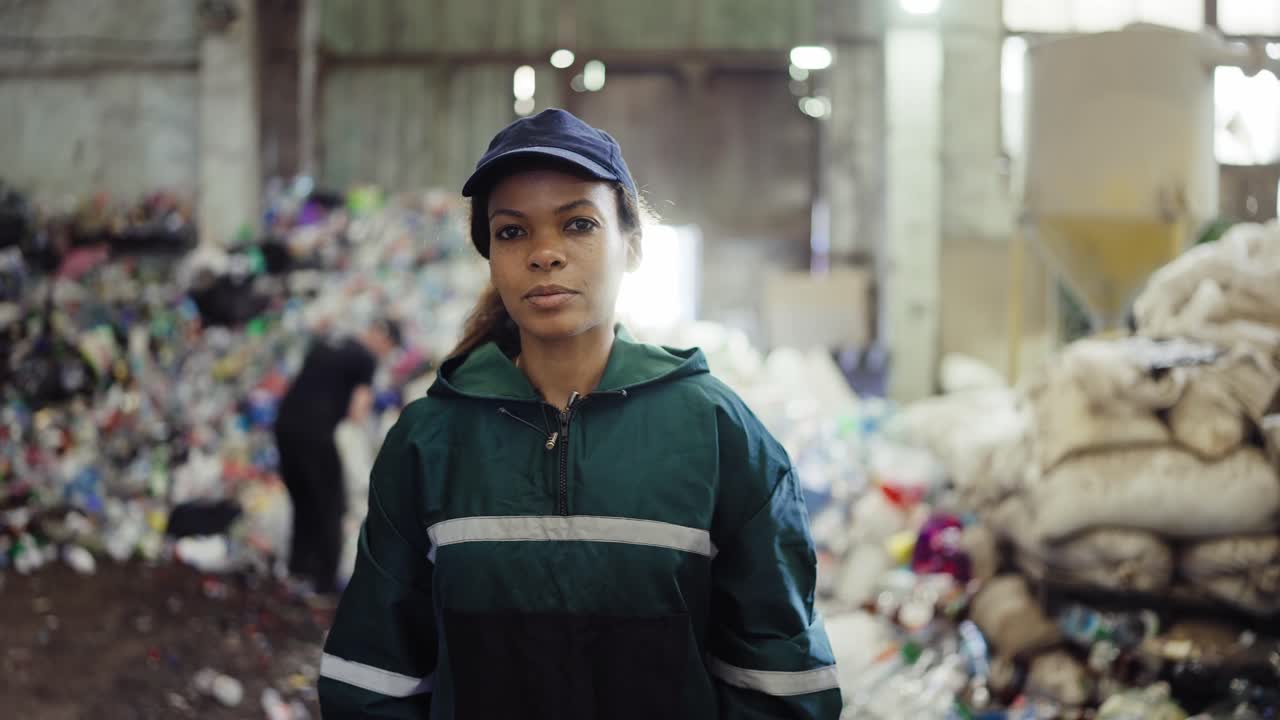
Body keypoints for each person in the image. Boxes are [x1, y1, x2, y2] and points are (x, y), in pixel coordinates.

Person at [318, 109, 841, 719]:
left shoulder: (718, 434)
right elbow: (373, 679)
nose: (545, 254)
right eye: (513, 232)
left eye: (578, 225)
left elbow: (780, 684)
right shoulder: (429, 441)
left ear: (633, 245)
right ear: (489, 254)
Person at [274, 317, 400, 595]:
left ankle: (298, 572)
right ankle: (325, 585)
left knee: (303, 501)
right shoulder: (366, 358)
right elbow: (357, 411)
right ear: (382, 337)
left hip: (284, 426)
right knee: (331, 505)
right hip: (315, 432)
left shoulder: (330, 342)